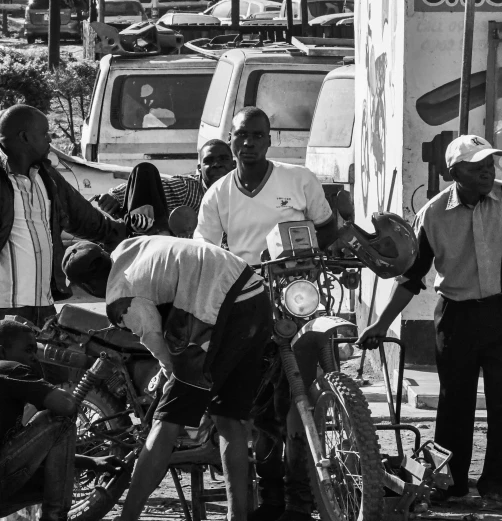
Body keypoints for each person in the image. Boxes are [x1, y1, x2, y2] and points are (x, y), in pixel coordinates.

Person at [358, 135, 502, 509]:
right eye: (476, 166)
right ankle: (450, 483)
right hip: (458, 318)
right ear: (454, 172)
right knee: (454, 404)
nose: (487, 171)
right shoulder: (433, 214)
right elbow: (411, 277)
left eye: (490, 163)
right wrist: (380, 324)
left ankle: (497, 488)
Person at [193, 106, 338, 521]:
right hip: (247, 304)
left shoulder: (298, 179)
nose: (249, 143)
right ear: (232, 140)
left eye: (258, 136)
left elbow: (328, 227)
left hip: (298, 298)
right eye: (242, 136)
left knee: (301, 397)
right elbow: (204, 251)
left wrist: (311, 257)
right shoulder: (218, 193)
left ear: (269, 139)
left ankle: (300, 498)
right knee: (261, 409)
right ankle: (272, 498)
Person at [62, 236, 270, 521]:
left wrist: (167, 377)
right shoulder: (128, 247)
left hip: (219, 306)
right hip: (254, 291)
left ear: (86, 286)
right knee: (229, 418)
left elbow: (158, 342)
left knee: (165, 424)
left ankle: (128, 517)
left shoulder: (120, 296)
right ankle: (238, 517)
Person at [0, 104, 126, 323]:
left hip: (43, 303)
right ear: (25, 137)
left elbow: (86, 219)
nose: (50, 139)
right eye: (44, 133)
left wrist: (127, 234)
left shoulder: (46, 176)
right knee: (7, 357)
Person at [0, 319, 123, 519]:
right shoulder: (8, 369)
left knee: (51, 475)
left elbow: (33, 454)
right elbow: (66, 406)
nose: (34, 358)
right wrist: (90, 373)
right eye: (28, 350)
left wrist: (92, 462)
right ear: (2, 352)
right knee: (60, 419)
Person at [94, 139, 235, 219]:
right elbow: (151, 185)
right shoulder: (188, 189)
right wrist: (114, 196)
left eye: (223, 159)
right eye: (209, 161)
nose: (217, 164)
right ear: (199, 168)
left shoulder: (245, 190)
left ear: (234, 165)